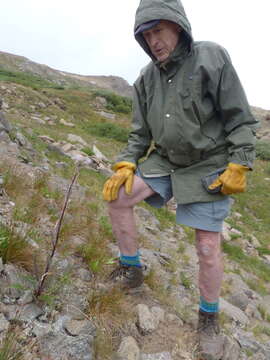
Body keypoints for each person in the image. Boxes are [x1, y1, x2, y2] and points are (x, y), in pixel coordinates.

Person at [103, 0, 257, 358]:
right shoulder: (145, 78)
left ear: (177, 25)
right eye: (146, 34)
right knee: (118, 197)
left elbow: (239, 118)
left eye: (158, 30)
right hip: (166, 161)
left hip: (208, 164)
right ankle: (131, 269)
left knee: (207, 246)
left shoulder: (211, 57)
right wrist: (127, 162)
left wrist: (241, 163)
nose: (153, 40)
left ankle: (208, 317)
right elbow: (139, 134)